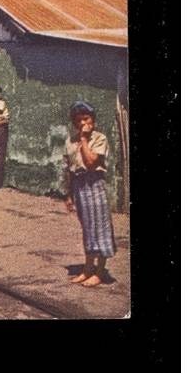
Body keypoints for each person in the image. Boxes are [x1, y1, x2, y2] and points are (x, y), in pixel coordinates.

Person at [63, 101, 116, 287]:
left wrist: (84, 140)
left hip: (94, 183)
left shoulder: (99, 138)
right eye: (78, 120)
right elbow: (69, 169)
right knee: (87, 228)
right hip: (79, 186)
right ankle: (87, 268)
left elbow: (92, 162)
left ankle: (100, 271)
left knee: (100, 227)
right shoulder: (70, 140)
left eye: (86, 119)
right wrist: (68, 195)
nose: (82, 123)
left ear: (92, 119)